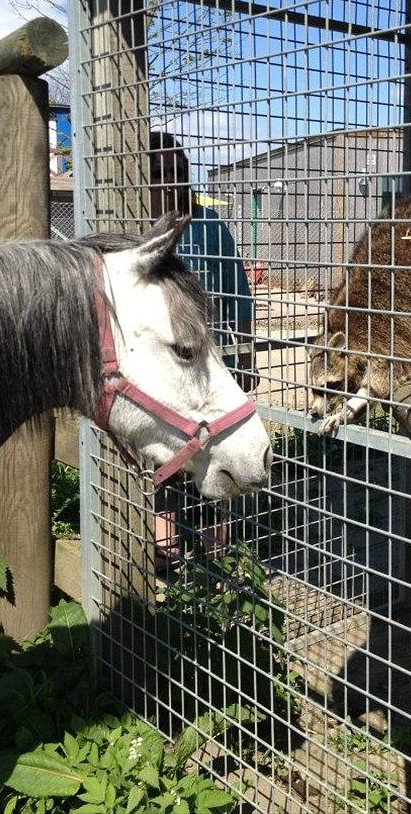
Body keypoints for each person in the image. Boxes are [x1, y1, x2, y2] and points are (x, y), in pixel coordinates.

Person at [148, 131, 256, 567]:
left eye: (178, 171)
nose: (171, 181)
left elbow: (240, 297)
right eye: (160, 173)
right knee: (164, 464)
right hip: (161, 377)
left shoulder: (209, 227)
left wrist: (246, 358)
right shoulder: (138, 233)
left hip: (211, 371)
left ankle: (217, 555)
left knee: (218, 456)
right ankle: (166, 553)